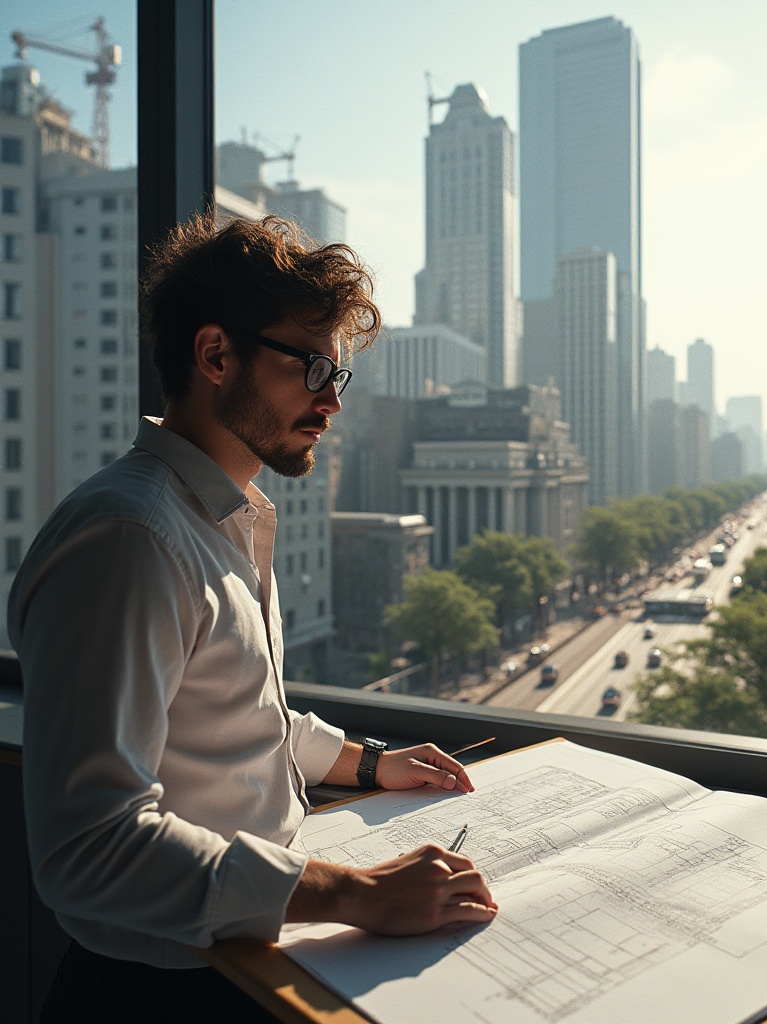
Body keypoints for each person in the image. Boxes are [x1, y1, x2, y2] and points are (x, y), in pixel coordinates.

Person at [8, 213, 498, 1023]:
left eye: (338, 377)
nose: (330, 402)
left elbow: (232, 717)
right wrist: (358, 892)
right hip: (157, 993)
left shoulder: (225, 519)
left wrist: (368, 762)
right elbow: (86, 849)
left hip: (242, 964)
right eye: (312, 368)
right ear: (214, 355)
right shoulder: (129, 542)